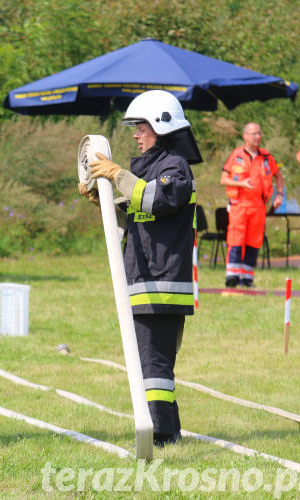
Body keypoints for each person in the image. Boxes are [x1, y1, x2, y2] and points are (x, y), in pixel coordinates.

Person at [83, 90, 200, 447]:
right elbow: (138, 211)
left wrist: (117, 175)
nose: (135, 134)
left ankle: (162, 434)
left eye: (141, 127)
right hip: (143, 278)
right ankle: (163, 429)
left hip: (163, 283)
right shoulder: (148, 167)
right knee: (150, 364)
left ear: (162, 126)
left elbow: (154, 198)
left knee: (155, 368)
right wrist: (103, 196)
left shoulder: (175, 168)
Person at [220, 122, 284, 288]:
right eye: (254, 134)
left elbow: (278, 176)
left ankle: (247, 278)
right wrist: (242, 184)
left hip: (259, 207)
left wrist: (279, 194)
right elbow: (223, 179)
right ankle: (232, 276)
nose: (258, 137)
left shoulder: (266, 157)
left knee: (254, 241)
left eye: (259, 133)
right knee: (236, 238)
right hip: (239, 205)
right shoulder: (237, 155)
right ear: (245, 136)